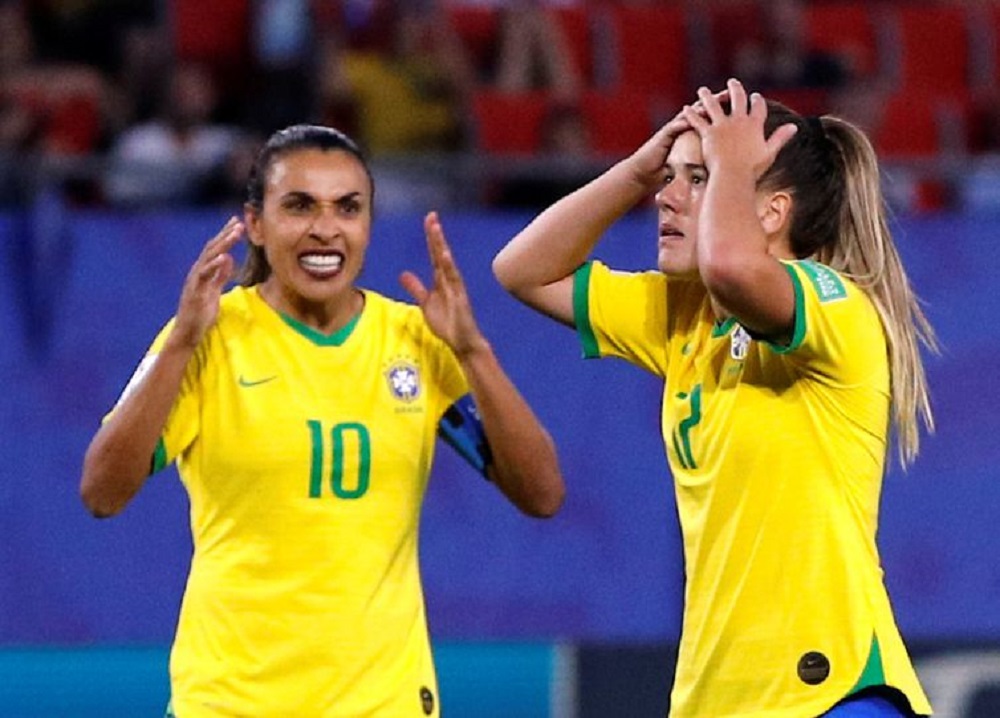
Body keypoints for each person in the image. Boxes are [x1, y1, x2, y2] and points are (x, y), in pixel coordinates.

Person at [80, 124, 564, 717]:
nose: (325, 229)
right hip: (231, 702)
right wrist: (180, 343)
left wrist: (473, 352)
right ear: (255, 224)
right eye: (299, 206)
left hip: (383, 703)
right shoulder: (209, 335)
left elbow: (542, 494)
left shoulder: (416, 338)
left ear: (368, 223)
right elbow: (102, 492)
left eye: (348, 208)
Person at [493, 78, 936, 717]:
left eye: (696, 179)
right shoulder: (684, 317)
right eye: (670, 179)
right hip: (718, 696)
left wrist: (730, 159)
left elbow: (733, 268)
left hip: (830, 688)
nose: (666, 200)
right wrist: (634, 171)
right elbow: (522, 270)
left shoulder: (835, 305)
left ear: (772, 211)